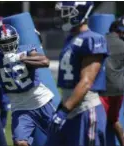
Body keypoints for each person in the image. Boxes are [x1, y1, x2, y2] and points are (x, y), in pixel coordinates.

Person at [0, 13, 55, 146]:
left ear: (17, 39)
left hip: (41, 101)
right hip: (20, 107)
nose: (8, 46)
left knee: (62, 137)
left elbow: (44, 61)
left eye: (10, 41)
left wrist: (21, 58)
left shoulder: (26, 50)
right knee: (19, 142)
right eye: (3, 43)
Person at [45, 2, 108, 146]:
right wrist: (62, 108)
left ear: (80, 12)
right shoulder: (71, 38)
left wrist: (64, 111)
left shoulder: (92, 39)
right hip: (68, 104)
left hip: (85, 109)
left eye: (67, 12)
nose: (62, 15)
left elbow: (86, 82)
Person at [99, 16, 124, 146]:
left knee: (97, 123)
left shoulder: (99, 41)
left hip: (103, 90)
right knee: (114, 120)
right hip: (119, 90)